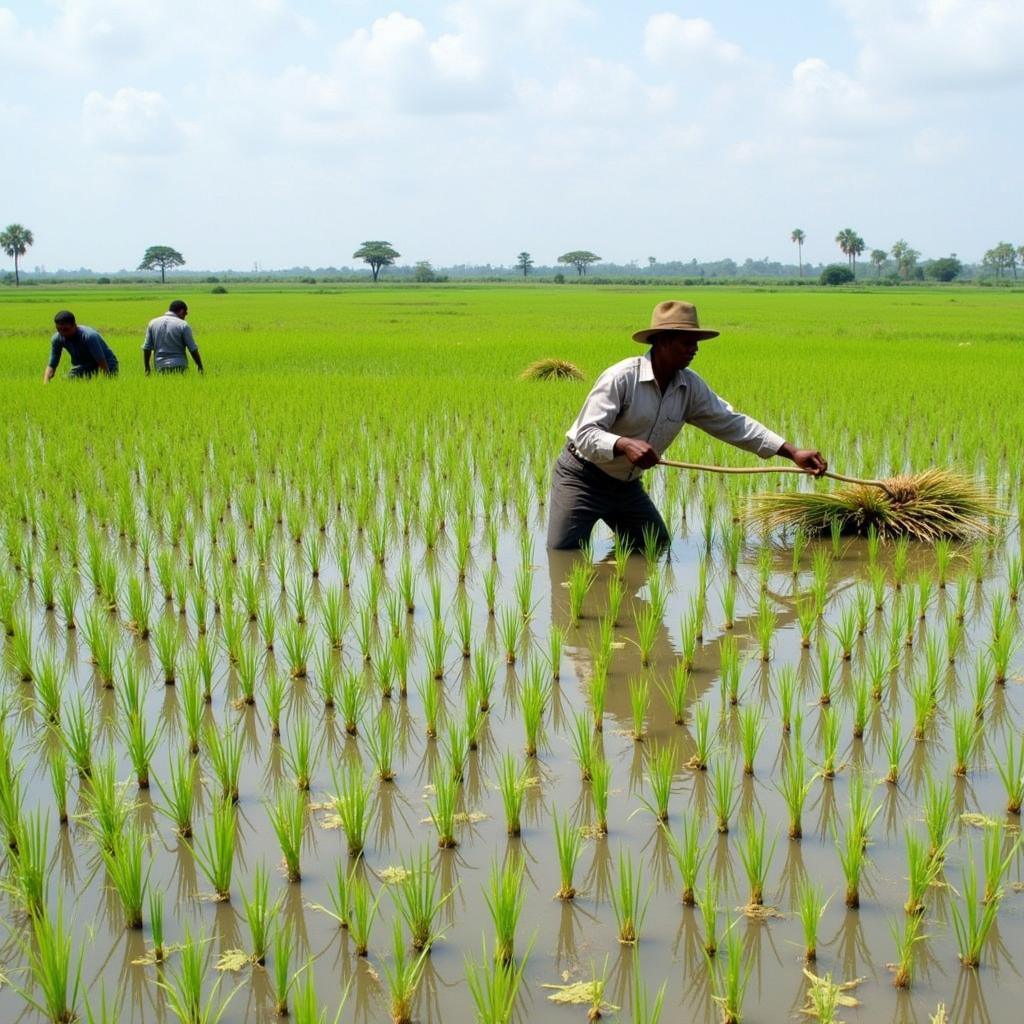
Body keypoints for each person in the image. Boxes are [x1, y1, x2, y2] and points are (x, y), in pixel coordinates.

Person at [547, 299, 827, 550]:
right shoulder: (621, 377)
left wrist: (792, 452)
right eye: (686, 343)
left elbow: (732, 423)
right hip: (583, 477)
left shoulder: (689, 386)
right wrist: (623, 443)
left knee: (653, 546)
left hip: (625, 485)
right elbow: (585, 434)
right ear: (662, 341)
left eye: (696, 344)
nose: (694, 350)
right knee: (564, 552)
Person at [44, 311, 119, 382]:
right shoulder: (57, 338)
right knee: (66, 382)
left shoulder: (89, 336)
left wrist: (106, 381)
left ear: (75, 325)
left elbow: (101, 362)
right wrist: (45, 384)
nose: (62, 333)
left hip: (107, 364)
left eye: (66, 329)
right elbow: (52, 364)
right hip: (84, 366)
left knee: (102, 382)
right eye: (59, 329)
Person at [143, 299, 204, 374]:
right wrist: (200, 366)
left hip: (160, 366)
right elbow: (192, 349)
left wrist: (147, 367)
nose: (185, 317)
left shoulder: (152, 323)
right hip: (180, 366)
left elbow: (147, 348)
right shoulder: (183, 325)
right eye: (185, 314)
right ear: (181, 311)